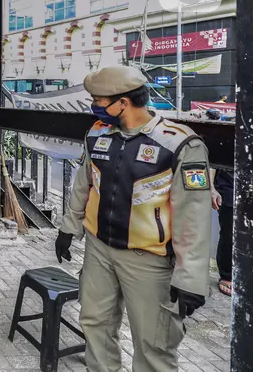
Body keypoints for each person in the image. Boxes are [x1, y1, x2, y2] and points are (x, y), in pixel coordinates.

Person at [55, 65, 211, 371]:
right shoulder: (97, 134)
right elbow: (83, 184)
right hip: (99, 250)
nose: (94, 107)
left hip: (149, 261)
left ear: (123, 102)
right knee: (94, 325)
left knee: (154, 343)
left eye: (98, 101)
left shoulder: (179, 144)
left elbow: (193, 214)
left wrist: (190, 278)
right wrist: (68, 228)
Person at [213, 168, 233, 296]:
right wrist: (211, 188)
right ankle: (227, 275)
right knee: (229, 232)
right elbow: (213, 161)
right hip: (230, 184)